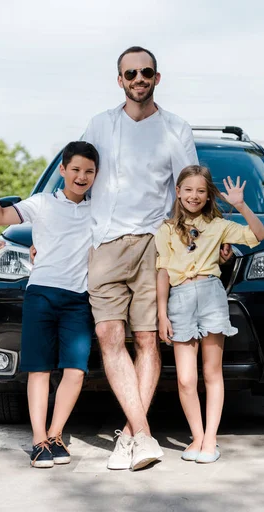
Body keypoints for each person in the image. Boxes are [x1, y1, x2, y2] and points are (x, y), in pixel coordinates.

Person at [83, 45, 200, 471]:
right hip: (105, 243)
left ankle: (131, 437)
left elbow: (190, 193)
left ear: (156, 77)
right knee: (110, 337)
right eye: (129, 73)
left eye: (145, 72)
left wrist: (204, 241)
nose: (138, 79)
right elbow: (79, 179)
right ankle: (144, 434)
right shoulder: (100, 124)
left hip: (155, 245)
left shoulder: (175, 129)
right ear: (120, 80)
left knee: (148, 340)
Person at [0, 142, 99, 469]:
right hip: (40, 295)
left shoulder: (98, 211)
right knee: (38, 370)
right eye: (76, 170)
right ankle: (39, 440)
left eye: (89, 171)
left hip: (77, 300)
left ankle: (55, 435)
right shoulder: (41, 203)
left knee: (75, 370)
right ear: (63, 171)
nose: (81, 177)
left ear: (96, 176)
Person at [155, 166, 264, 463]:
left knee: (211, 372)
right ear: (178, 191)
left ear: (208, 197)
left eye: (201, 191)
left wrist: (240, 205)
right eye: (188, 189)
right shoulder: (166, 229)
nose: (194, 195)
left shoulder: (219, 225)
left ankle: (211, 439)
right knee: (185, 379)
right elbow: (163, 272)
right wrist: (162, 313)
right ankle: (197, 436)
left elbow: (259, 234)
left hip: (211, 295)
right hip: (179, 300)